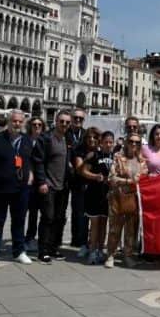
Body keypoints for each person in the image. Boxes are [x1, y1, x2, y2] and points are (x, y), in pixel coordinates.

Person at [0, 110, 34, 267]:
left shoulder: (26, 140)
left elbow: (29, 160)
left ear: (23, 123)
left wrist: (30, 174)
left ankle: (19, 251)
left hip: (21, 188)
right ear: (8, 122)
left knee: (19, 221)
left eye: (20, 121)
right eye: (14, 121)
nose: (17, 124)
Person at [32, 110, 72, 263]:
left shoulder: (67, 139)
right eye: (62, 121)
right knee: (48, 217)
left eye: (67, 122)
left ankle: (54, 248)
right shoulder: (46, 138)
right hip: (49, 185)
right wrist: (42, 181)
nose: (64, 124)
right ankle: (43, 251)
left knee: (59, 218)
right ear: (56, 121)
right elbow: (38, 161)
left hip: (62, 186)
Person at [106, 130, 147, 268]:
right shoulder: (118, 157)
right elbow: (111, 178)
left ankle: (128, 255)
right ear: (126, 143)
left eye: (137, 142)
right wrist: (128, 181)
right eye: (131, 141)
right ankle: (110, 254)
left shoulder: (142, 161)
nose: (134, 144)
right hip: (118, 197)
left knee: (131, 230)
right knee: (114, 229)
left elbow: (145, 179)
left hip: (134, 199)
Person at [79, 128, 115, 264]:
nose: (108, 144)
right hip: (94, 193)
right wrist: (95, 176)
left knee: (103, 224)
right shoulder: (94, 155)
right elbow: (83, 171)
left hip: (107, 195)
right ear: (101, 143)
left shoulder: (115, 157)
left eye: (111, 142)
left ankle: (100, 249)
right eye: (106, 142)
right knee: (95, 224)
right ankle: (92, 251)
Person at [70, 127, 101, 260]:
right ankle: (83, 244)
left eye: (94, 137)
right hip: (82, 187)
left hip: (98, 189)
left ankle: (95, 244)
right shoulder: (80, 151)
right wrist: (87, 160)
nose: (92, 140)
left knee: (97, 219)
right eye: (89, 137)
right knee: (82, 217)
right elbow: (79, 170)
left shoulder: (101, 151)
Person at [67, 108, 89, 259]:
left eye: (81, 119)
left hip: (79, 177)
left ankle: (79, 239)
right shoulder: (64, 131)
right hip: (64, 176)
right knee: (62, 211)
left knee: (80, 210)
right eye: (75, 118)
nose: (78, 121)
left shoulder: (86, 134)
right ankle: (56, 240)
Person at [23, 116, 46, 254]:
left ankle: (32, 238)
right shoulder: (25, 140)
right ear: (30, 126)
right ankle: (24, 237)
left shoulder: (45, 140)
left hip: (41, 181)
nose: (37, 126)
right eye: (34, 124)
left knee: (36, 212)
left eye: (39, 124)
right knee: (24, 211)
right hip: (26, 180)